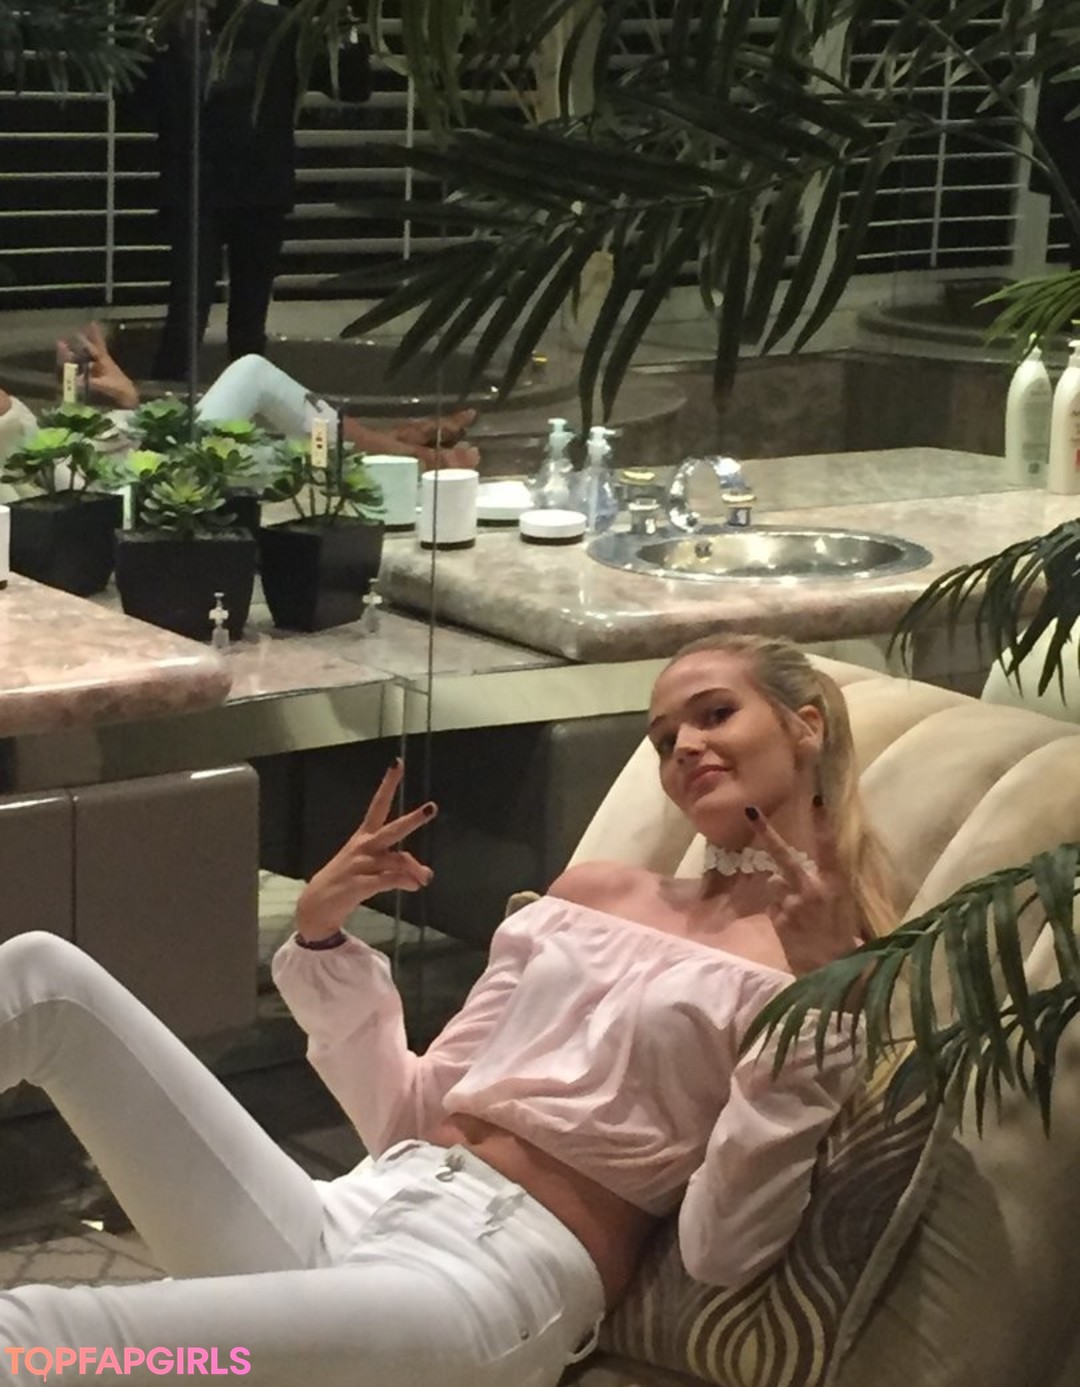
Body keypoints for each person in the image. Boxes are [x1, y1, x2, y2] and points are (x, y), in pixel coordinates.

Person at [0, 633, 893, 1386]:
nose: (684, 747)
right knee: (46, 977)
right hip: (352, 1207)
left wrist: (820, 1006)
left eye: (714, 713)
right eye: (663, 738)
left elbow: (724, 1248)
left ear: (805, 724)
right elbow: (412, 1114)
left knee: (43, 1336)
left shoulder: (830, 971)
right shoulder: (594, 894)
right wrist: (321, 934)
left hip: (487, 1284)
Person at [140, 0, 371, 380]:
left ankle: (216, 400)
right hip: (216, 189)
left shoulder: (274, 27)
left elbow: (351, 86)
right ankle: (185, 399)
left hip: (246, 189)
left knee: (226, 321)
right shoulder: (177, 28)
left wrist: (344, 23)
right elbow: (139, 97)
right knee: (196, 319)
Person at [0, 323, 478, 475]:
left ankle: (397, 449)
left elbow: (47, 455)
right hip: (148, 481)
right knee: (251, 374)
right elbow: (48, 478)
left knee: (281, 454)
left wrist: (124, 402)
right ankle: (413, 456)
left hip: (134, 455)